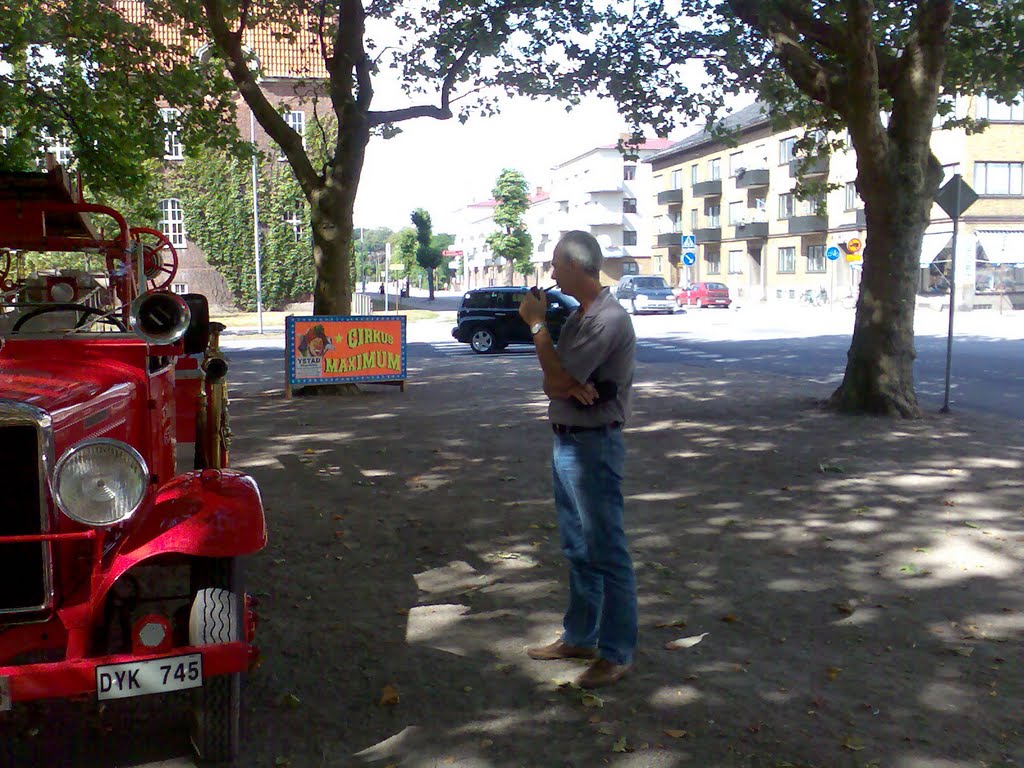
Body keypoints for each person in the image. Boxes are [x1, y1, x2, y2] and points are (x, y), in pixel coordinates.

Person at [517, 230, 638, 689]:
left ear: (575, 265)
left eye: (555, 265)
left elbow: (554, 377)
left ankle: (616, 653)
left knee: (608, 551)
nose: (550, 274)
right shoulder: (580, 316)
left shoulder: (606, 319)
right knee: (578, 548)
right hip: (569, 440)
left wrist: (535, 325)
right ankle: (581, 636)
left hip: (594, 446)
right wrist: (567, 382)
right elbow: (557, 383)